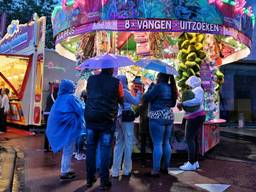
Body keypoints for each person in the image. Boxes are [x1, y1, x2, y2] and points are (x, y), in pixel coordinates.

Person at [85, 68, 124, 190]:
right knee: (105, 149)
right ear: (111, 69)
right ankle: (104, 182)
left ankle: (89, 178)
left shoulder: (91, 79)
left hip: (91, 118)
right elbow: (121, 99)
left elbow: (88, 93)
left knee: (90, 148)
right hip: (107, 120)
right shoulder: (117, 83)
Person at [46, 80, 84, 181]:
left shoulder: (59, 98)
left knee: (67, 150)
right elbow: (80, 109)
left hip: (64, 129)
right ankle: (64, 172)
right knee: (68, 150)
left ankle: (65, 169)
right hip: (70, 129)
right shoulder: (71, 97)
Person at [143, 73, 178, 177]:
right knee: (166, 143)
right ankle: (165, 167)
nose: (156, 78)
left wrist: (150, 88)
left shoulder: (157, 86)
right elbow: (172, 104)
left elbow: (146, 98)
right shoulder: (172, 87)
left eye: (157, 76)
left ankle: (155, 170)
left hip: (157, 116)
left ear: (160, 78)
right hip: (169, 116)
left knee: (157, 144)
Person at [111, 75, 142, 178]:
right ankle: (127, 170)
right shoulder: (125, 91)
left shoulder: (114, 91)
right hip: (127, 117)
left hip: (118, 117)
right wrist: (139, 92)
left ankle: (115, 171)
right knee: (128, 143)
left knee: (119, 143)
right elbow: (136, 102)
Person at [178, 76, 206, 171]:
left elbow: (196, 101)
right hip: (196, 116)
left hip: (195, 116)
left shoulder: (198, 89)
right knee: (193, 139)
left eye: (189, 84)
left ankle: (191, 162)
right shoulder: (198, 89)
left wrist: (183, 103)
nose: (188, 86)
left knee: (189, 138)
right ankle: (195, 161)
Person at [43, 83, 59, 152]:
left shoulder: (49, 95)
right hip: (52, 114)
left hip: (46, 113)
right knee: (53, 130)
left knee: (48, 130)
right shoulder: (57, 96)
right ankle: (53, 147)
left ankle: (46, 147)